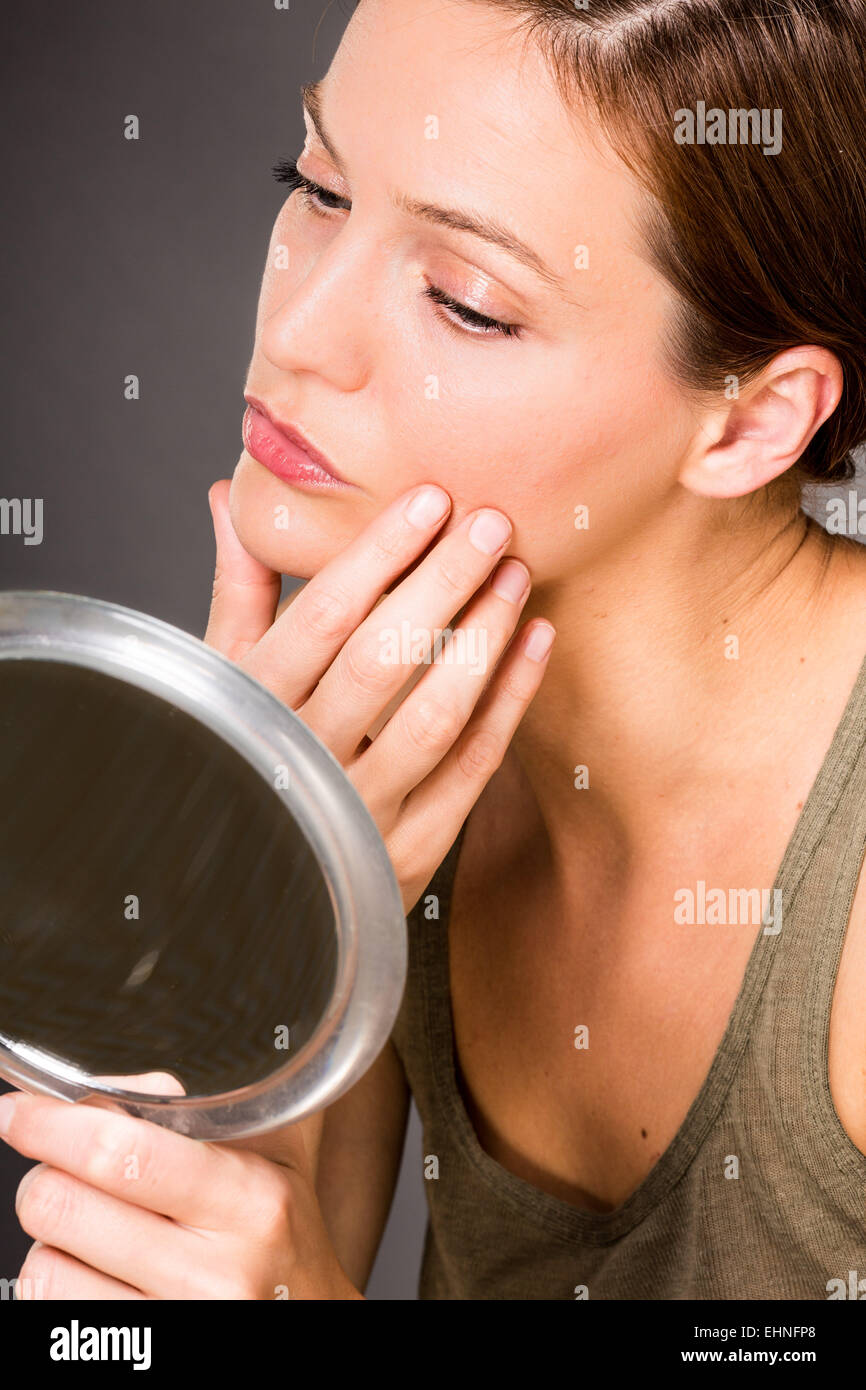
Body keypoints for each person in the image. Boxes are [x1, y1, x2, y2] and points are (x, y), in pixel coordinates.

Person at [2, 0, 865, 1299]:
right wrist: (241, 915)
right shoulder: (376, 732)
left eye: (465, 303)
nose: (297, 334)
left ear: (751, 424)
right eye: (319, 187)